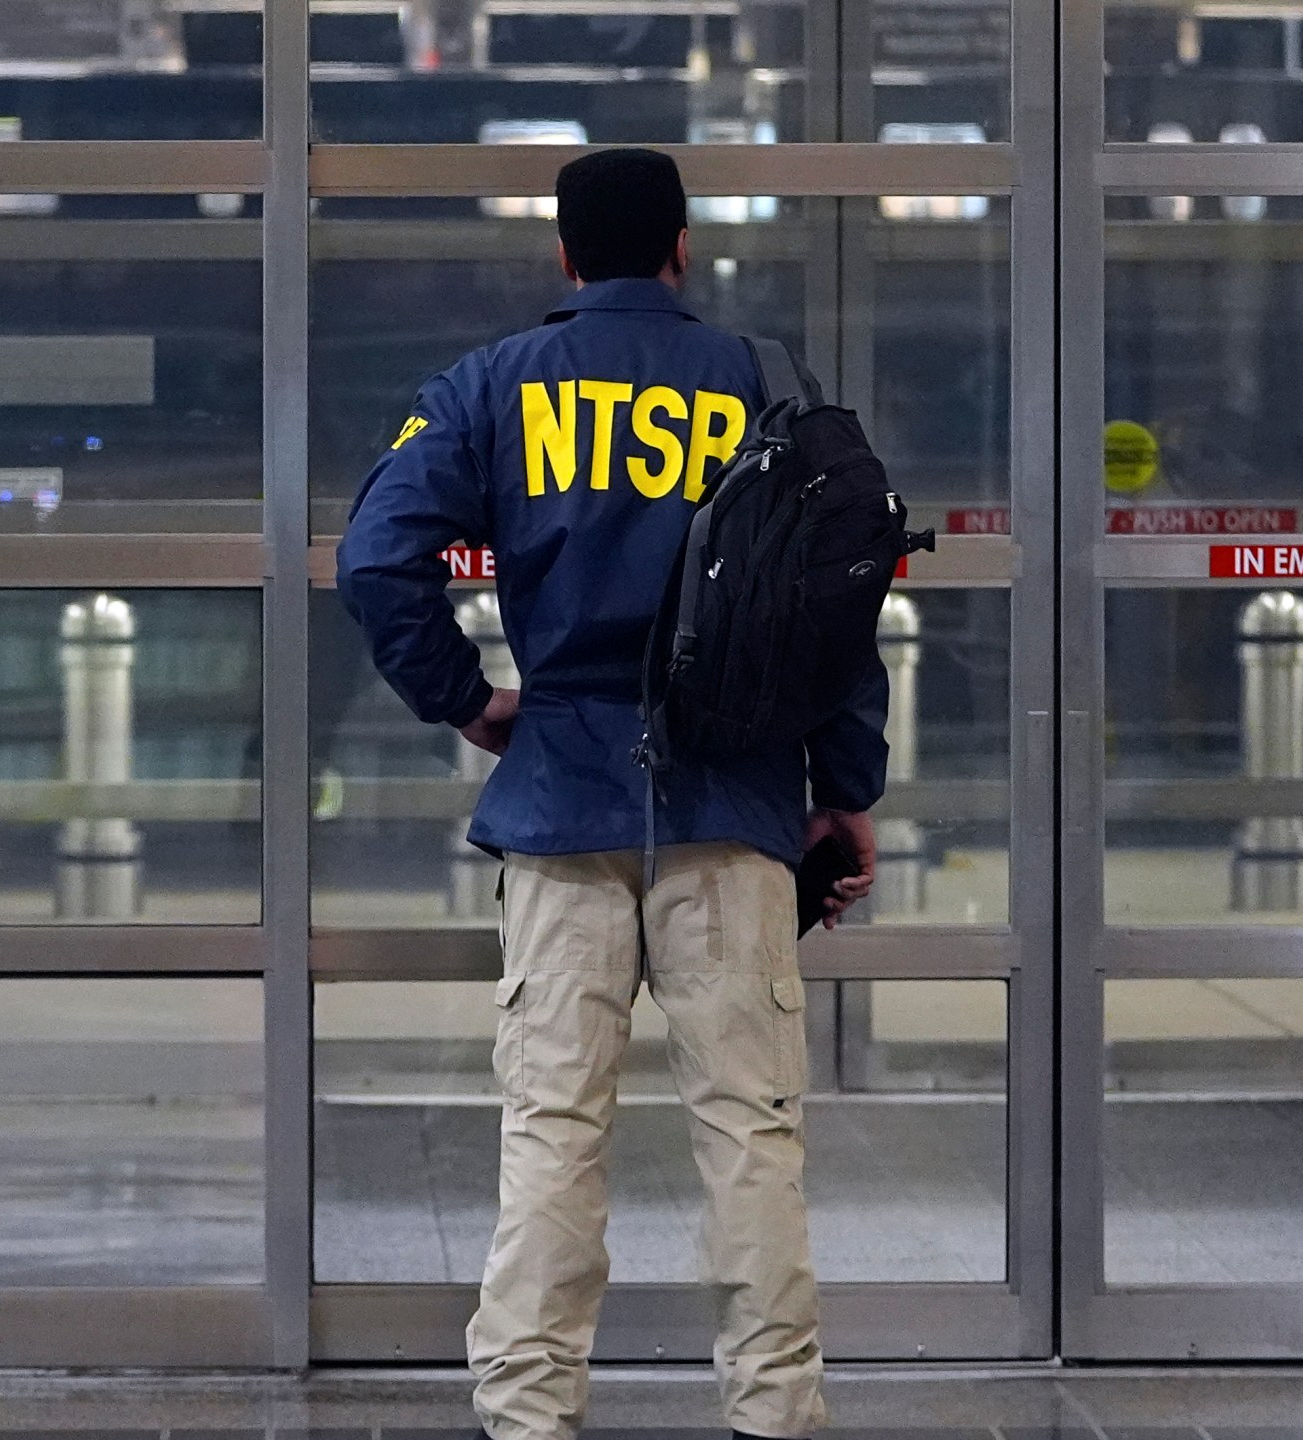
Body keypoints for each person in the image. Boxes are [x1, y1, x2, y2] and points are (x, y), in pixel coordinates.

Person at [336, 148, 889, 1440]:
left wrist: (466, 700)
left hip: (561, 805)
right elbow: (836, 606)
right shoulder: (763, 383)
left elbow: (379, 555)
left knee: (551, 1132)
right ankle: (775, 1415)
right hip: (737, 812)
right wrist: (842, 788)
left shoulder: (494, 386)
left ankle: (529, 1418)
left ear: (566, 258)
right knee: (750, 1134)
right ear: (684, 251)